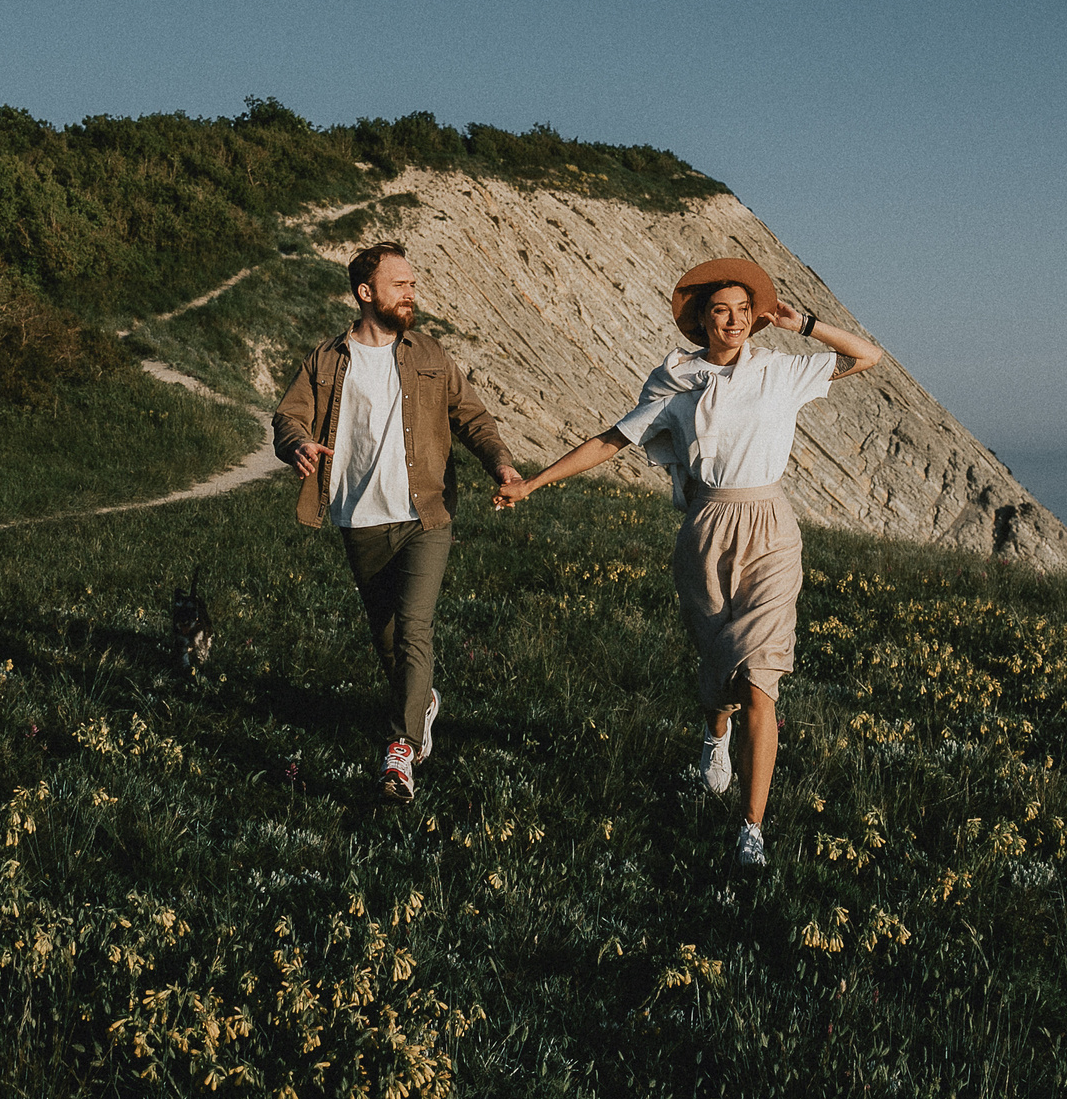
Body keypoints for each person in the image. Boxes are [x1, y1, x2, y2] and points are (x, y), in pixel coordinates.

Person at [492, 257, 882, 867]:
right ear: (700, 320)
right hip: (707, 529)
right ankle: (714, 734)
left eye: (744, 310)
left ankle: (751, 830)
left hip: (772, 528)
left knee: (760, 676)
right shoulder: (679, 383)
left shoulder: (781, 370)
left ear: (757, 318)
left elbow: (867, 357)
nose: (733, 320)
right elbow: (612, 440)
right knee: (719, 660)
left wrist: (802, 322)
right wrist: (536, 484)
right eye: (720, 310)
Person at [274, 241, 524, 804]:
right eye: (400, 285)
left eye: (413, 284)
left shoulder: (429, 353)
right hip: (359, 517)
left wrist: (500, 463)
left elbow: (472, 416)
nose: (412, 294)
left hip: (425, 515)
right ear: (367, 294)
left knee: (414, 628)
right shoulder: (328, 359)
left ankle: (400, 751)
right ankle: (422, 701)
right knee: (387, 639)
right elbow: (289, 415)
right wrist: (297, 445)